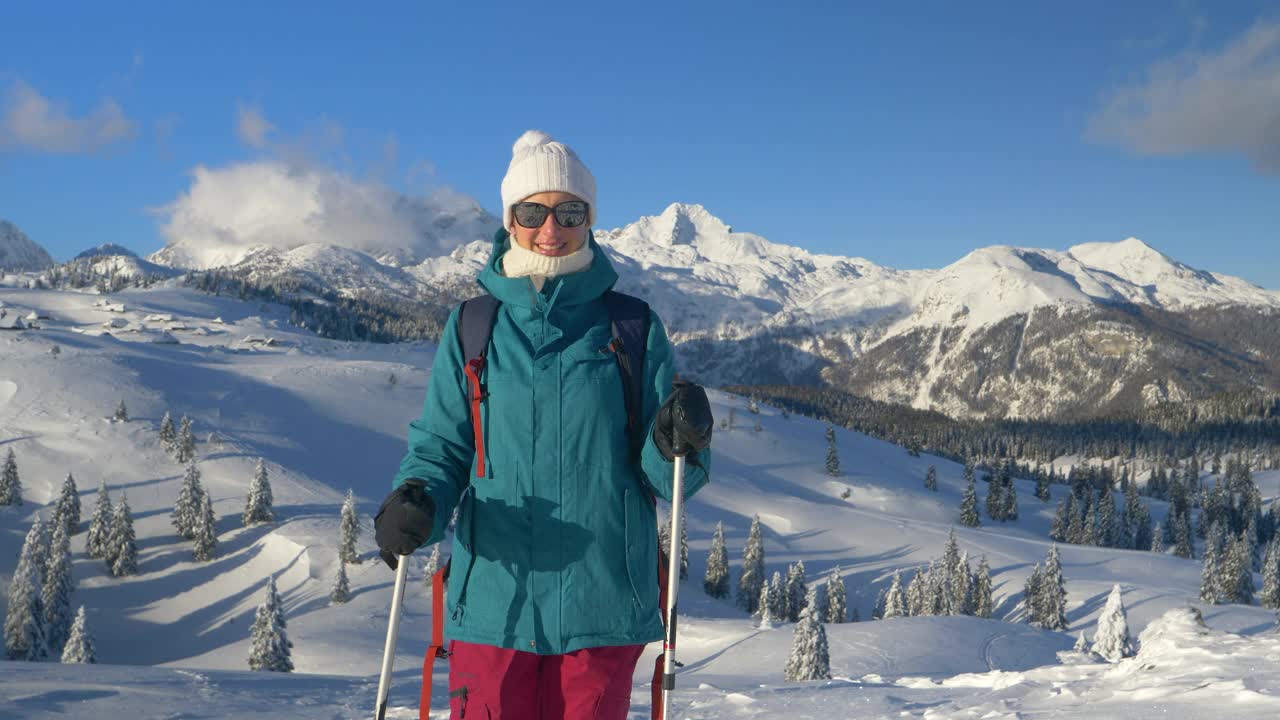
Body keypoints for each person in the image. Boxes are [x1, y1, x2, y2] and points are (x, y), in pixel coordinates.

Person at [375, 129, 714, 720]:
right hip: (493, 603)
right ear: (509, 218)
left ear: (590, 220)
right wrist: (417, 502)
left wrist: (677, 440)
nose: (551, 228)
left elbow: (670, 477)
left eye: (570, 211)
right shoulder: (472, 326)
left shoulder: (633, 327)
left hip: (602, 605)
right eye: (533, 211)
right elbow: (442, 448)